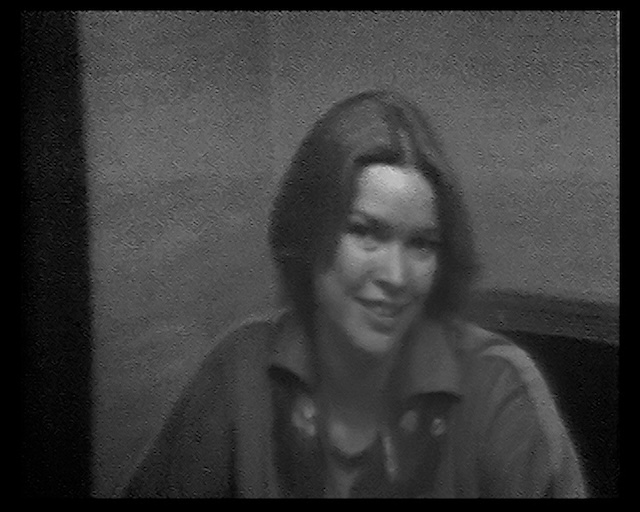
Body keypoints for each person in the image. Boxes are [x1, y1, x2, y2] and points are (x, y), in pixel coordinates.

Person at [124, 90, 587, 498]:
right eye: (366, 232)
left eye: (422, 244)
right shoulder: (240, 371)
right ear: (308, 234)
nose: (397, 276)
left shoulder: (500, 391)